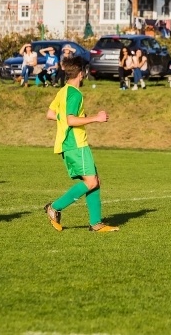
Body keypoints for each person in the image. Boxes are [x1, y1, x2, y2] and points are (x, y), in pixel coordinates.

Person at [43, 56, 119, 232]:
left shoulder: (63, 91)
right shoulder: (75, 94)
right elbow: (70, 120)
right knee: (91, 182)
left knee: (95, 180)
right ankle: (54, 207)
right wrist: (96, 118)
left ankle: (96, 223)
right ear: (81, 73)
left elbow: (50, 113)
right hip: (76, 144)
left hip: (67, 144)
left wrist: (70, 118)